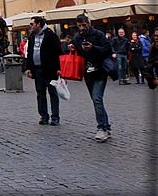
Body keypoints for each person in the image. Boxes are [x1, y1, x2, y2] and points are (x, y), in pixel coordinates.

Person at [71, 14, 112, 142]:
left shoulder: (98, 35)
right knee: (96, 100)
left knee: (97, 98)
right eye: (79, 26)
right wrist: (73, 49)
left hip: (100, 71)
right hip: (87, 73)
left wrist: (93, 48)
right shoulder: (77, 37)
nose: (82, 28)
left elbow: (107, 50)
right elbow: (78, 53)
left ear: (88, 23)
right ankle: (106, 126)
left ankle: (102, 128)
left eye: (84, 25)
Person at [25, 16, 62, 126]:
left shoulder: (50, 35)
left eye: (32, 24)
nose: (30, 26)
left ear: (38, 24)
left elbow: (58, 52)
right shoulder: (32, 37)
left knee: (52, 93)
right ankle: (43, 115)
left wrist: (59, 68)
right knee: (40, 93)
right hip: (37, 69)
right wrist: (28, 68)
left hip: (50, 69)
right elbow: (29, 53)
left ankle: (55, 116)